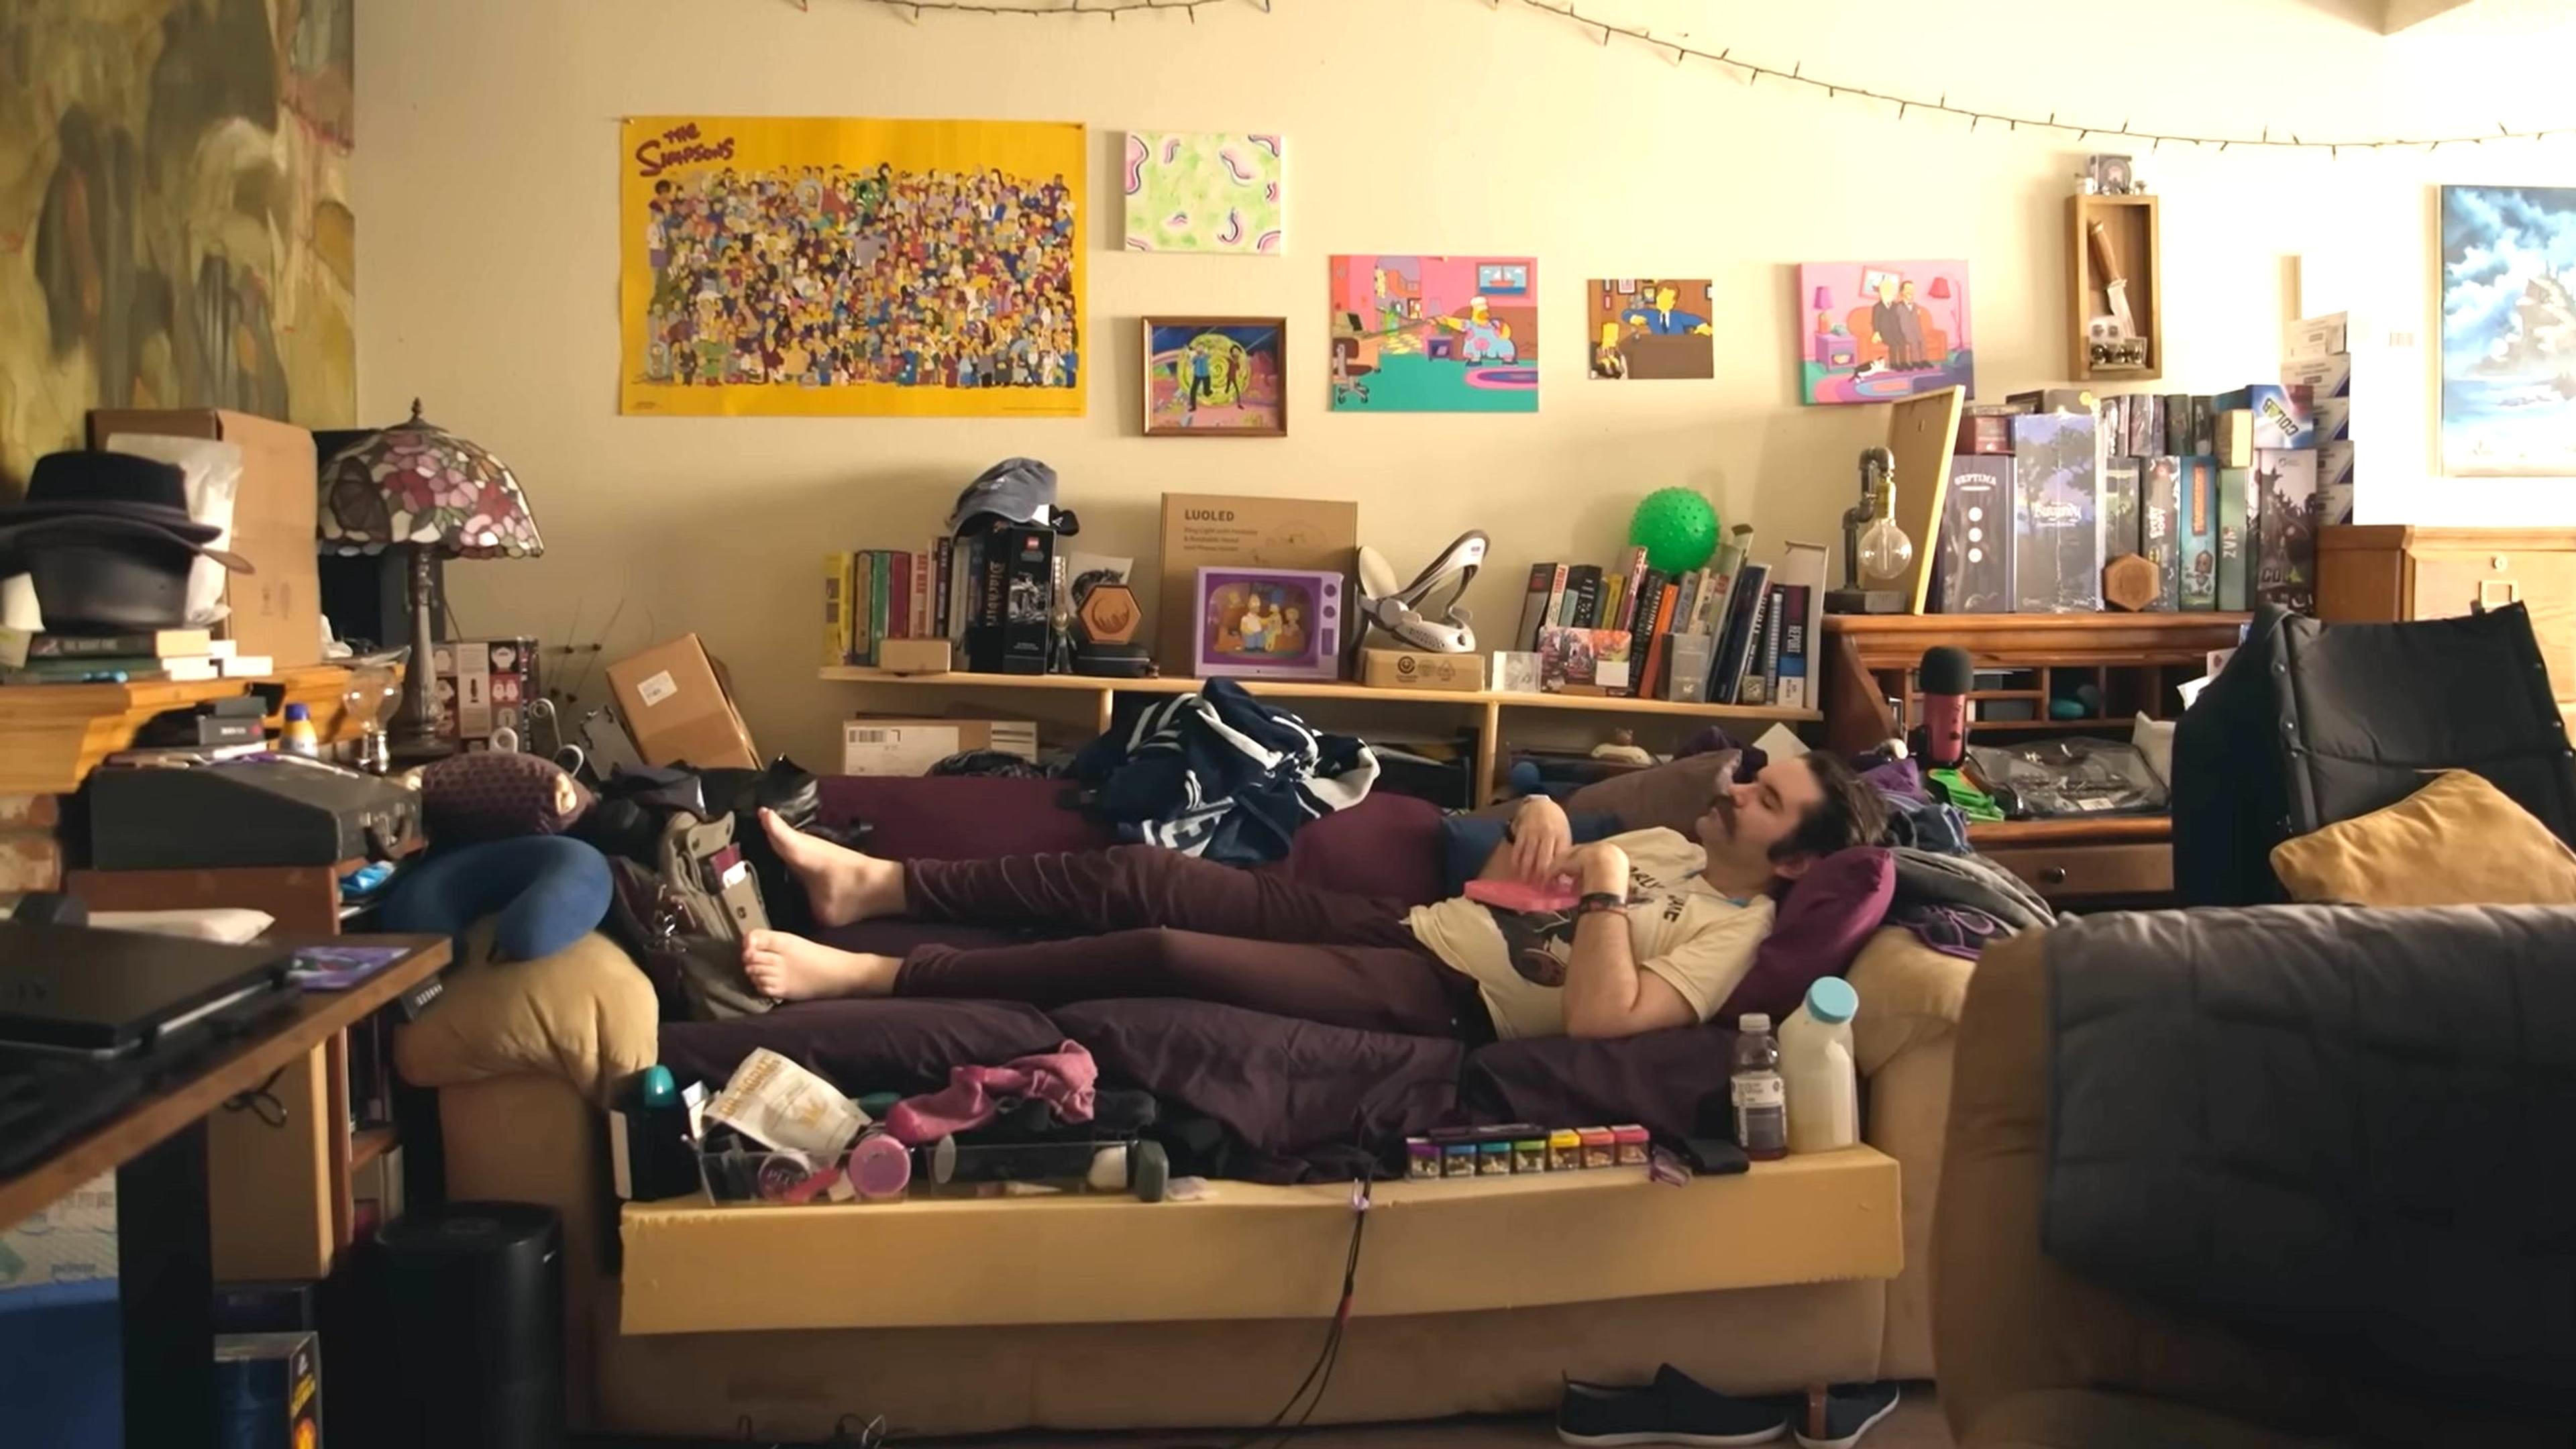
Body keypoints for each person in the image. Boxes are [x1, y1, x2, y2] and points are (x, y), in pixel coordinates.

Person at [738, 752, 1889, 1042]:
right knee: (1145, 871)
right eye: (1749, 776)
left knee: (1168, 952)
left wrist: (1598, 894)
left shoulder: (1737, 935)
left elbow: (1603, 1022)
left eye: (1765, 799)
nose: (1736, 791)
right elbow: (1525, 864)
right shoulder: (1673, 844)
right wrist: (1550, 812)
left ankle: (882, 972)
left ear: (1795, 862)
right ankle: (876, 880)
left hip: (1439, 1001)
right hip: (1410, 925)